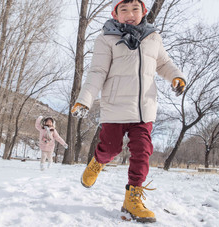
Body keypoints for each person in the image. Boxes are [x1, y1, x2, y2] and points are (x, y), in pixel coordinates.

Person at [71, 0, 186, 223]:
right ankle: (97, 161)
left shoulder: (153, 37)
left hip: (144, 109)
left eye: (135, 9)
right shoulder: (106, 38)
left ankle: (133, 197)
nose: (130, 14)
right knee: (111, 148)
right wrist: (84, 100)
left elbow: (163, 64)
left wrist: (177, 77)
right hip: (115, 107)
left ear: (143, 11)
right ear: (115, 13)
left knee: (142, 152)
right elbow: (97, 72)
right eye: (123, 9)